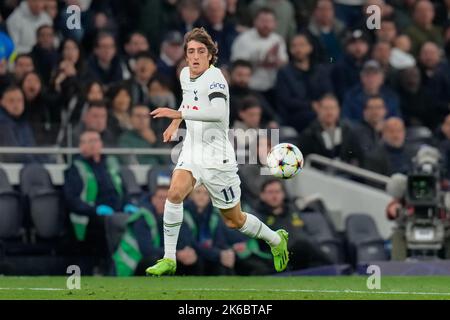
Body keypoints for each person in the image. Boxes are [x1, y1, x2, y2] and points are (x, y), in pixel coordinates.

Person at [146, 27, 289, 276]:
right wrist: (176, 122)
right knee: (174, 194)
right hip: (191, 148)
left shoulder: (215, 78)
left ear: (210, 55)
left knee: (234, 220)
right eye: (191, 51)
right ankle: (169, 258)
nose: (195, 56)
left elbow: (217, 112)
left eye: (201, 51)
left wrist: (179, 114)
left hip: (217, 158)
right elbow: (189, 100)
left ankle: (276, 240)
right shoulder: (184, 74)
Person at [64, 130, 137, 272]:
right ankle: (113, 269)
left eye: (96, 140)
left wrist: (128, 203)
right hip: (92, 217)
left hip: (117, 213)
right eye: (89, 141)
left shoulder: (111, 165)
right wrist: (94, 209)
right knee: (113, 224)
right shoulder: (75, 169)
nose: (93, 144)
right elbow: (71, 200)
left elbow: (123, 190)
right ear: (81, 146)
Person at [113, 181, 201, 276]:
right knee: (154, 260)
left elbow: (185, 240)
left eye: (168, 198)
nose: (164, 201)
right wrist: (177, 254)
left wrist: (187, 251)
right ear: (153, 199)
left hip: (163, 257)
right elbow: (146, 250)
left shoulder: (176, 217)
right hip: (132, 264)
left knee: (195, 259)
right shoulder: (143, 218)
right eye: (160, 198)